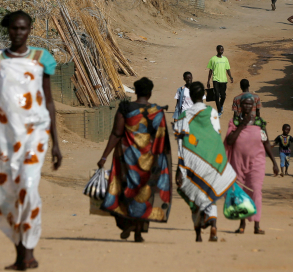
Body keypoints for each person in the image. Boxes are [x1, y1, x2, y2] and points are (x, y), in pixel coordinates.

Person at [0, 10, 63, 271]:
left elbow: (48, 101)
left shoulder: (41, 59)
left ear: (30, 29)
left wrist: (56, 143)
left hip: (35, 135)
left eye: (23, 28)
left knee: (28, 188)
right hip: (2, 138)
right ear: (8, 30)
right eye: (14, 29)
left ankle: (30, 249)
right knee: (8, 195)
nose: (18, 33)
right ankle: (20, 252)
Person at [97, 77, 172, 243]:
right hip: (149, 161)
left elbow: (116, 133)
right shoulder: (157, 112)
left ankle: (127, 224)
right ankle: (138, 232)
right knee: (144, 195)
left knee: (124, 192)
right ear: (150, 93)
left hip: (127, 160)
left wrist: (104, 156)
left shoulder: (126, 108)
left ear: (136, 92)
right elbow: (161, 140)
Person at [173, 82, 236, 242]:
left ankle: (198, 234)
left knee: (196, 194)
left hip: (192, 161)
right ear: (204, 96)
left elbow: (180, 141)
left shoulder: (184, 116)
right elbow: (215, 135)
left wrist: (180, 168)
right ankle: (213, 224)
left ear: (191, 97)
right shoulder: (212, 112)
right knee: (209, 193)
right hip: (211, 159)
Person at [225, 94, 280, 235]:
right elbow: (230, 141)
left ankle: (257, 225)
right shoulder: (235, 122)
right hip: (238, 162)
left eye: (250, 104)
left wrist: (274, 162)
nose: (247, 106)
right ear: (240, 106)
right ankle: (242, 224)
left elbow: (266, 142)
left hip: (257, 162)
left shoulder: (260, 122)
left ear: (253, 106)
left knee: (256, 190)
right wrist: (242, 125)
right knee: (240, 193)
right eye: (245, 104)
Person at [207, 45, 233, 115]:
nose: (221, 51)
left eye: (222, 49)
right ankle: (219, 111)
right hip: (215, 79)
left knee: (223, 96)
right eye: (220, 49)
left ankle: (220, 106)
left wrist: (230, 77)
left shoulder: (225, 59)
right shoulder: (213, 59)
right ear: (217, 50)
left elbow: (228, 69)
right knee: (216, 95)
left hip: (223, 80)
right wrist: (208, 81)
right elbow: (210, 71)